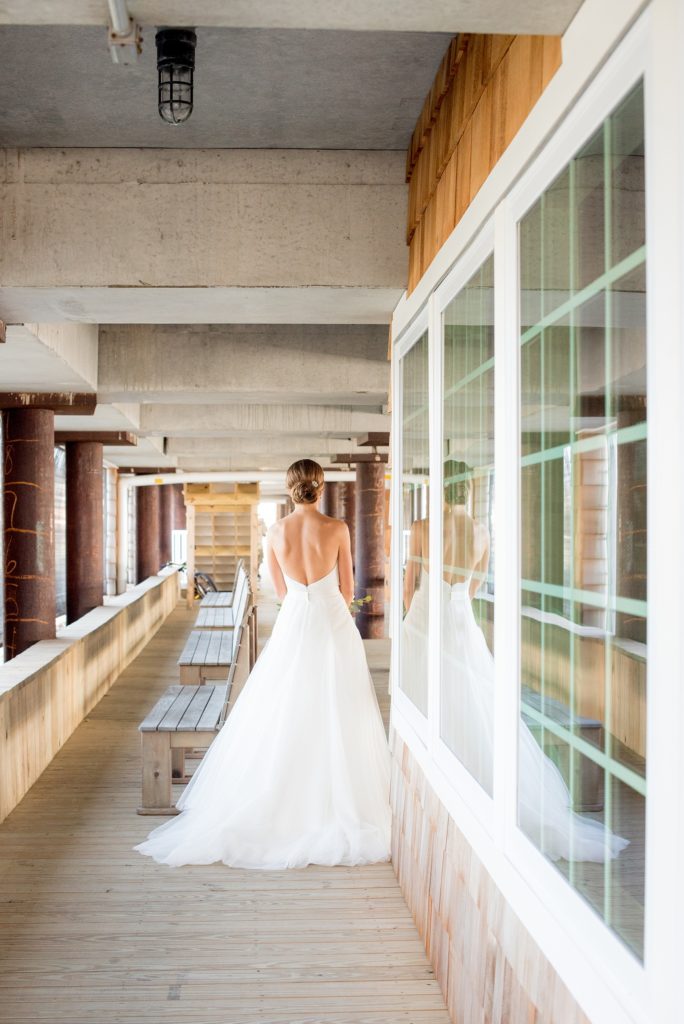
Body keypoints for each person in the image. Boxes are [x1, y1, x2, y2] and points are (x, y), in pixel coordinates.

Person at [133, 459, 391, 869]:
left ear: (290, 488)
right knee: (338, 707)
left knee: (287, 708)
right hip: (332, 625)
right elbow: (346, 590)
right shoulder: (337, 529)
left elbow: (282, 589)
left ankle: (283, 798)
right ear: (320, 487)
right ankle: (333, 796)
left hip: (294, 623)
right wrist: (328, 605)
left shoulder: (274, 532)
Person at [401, 460, 628, 863]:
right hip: (459, 617)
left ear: (439, 488)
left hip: (426, 614)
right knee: (472, 697)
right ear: (467, 488)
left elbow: (410, 583)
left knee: (426, 692)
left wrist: (416, 618)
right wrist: (456, 605)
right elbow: (475, 584)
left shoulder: (422, 528)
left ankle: (428, 783)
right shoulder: (481, 531)